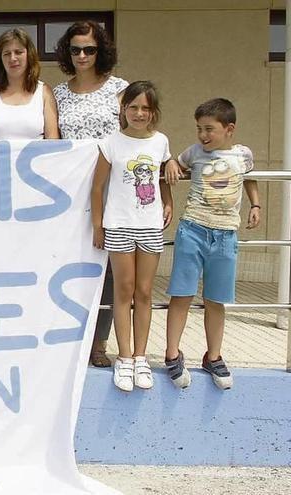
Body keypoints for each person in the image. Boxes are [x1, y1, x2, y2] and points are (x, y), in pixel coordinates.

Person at [163, 98, 261, 390]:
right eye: (199, 129)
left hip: (225, 235)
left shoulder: (243, 154)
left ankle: (213, 355)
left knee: (215, 299)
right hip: (193, 229)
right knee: (181, 293)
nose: (203, 135)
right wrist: (169, 162)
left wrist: (256, 205)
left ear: (229, 129)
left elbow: (249, 179)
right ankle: (172, 352)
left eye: (209, 129)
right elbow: (176, 163)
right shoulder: (194, 152)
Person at [53, 21, 129, 367]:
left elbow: (138, 135)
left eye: (90, 49)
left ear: (102, 51)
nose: (82, 55)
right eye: (75, 49)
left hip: (112, 191)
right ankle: (69, 340)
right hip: (70, 195)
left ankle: (99, 342)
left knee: (109, 269)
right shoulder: (57, 94)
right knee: (71, 266)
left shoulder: (120, 89)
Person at [90, 81, 174, 392]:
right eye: (133, 107)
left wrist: (168, 200)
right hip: (119, 224)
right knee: (122, 291)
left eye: (145, 108)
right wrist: (98, 226)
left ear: (154, 112)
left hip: (150, 225)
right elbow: (97, 188)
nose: (139, 113)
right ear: (123, 110)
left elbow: (163, 174)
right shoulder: (111, 142)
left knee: (145, 292)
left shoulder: (161, 142)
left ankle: (141, 357)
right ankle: (124, 357)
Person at [0, 28, 58, 140]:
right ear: (0, 59)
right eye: (7, 54)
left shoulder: (44, 91)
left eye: (18, 52)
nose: (12, 58)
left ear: (29, 55)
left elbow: (52, 139)